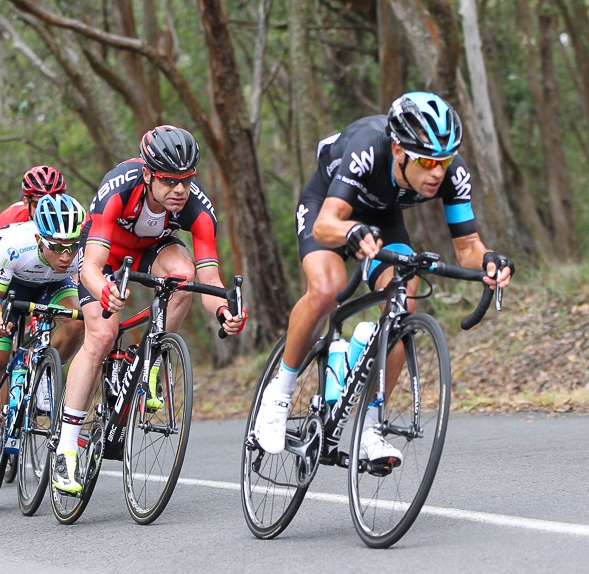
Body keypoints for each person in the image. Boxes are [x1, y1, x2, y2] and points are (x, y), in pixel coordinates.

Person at [254, 91, 514, 465]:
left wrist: (489, 261)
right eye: (426, 161)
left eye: (444, 160)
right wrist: (351, 231)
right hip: (329, 207)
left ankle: (370, 425)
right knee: (327, 291)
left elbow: (468, 245)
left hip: (383, 221)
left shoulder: (451, 175)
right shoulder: (368, 149)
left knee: (402, 300)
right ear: (398, 151)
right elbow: (327, 225)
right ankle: (279, 393)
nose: (437, 172)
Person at [51, 125, 248, 493]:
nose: (179, 190)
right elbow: (90, 268)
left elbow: (209, 278)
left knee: (183, 276)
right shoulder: (117, 189)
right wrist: (106, 293)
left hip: (150, 251)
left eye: (186, 181)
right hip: (105, 257)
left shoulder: (197, 208)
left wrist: (225, 312)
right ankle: (66, 447)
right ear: (147, 174)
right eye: (170, 181)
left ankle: (151, 361)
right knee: (103, 334)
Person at [0, 193, 87, 485]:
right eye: (56, 247)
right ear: (38, 237)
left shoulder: (83, 250)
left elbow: (90, 288)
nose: (66, 256)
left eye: (72, 247)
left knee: (77, 322)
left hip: (54, 286)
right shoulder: (14, 243)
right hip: (11, 289)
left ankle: (45, 372)